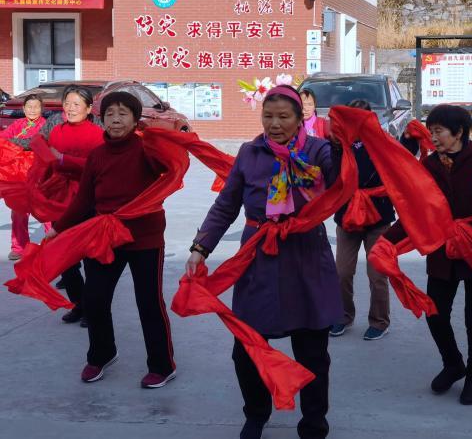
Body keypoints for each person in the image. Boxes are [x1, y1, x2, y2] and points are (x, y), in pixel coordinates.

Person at [185, 85, 341, 439]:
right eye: (268, 116)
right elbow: (226, 205)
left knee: (313, 351)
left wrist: (345, 144)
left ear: (300, 118)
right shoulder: (249, 153)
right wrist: (200, 247)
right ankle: (256, 412)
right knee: (247, 348)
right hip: (259, 258)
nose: (274, 124)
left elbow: (343, 180)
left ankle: (314, 423)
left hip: (306, 256)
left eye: (283, 117)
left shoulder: (318, 151)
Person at [47, 91, 176, 388]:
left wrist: (161, 143)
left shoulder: (147, 149)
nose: (116, 119)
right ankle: (101, 354)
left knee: (149, 302)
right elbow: (84, 200)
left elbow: (169, 168)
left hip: (144, 236)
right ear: (102, 119)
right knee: (95, 299)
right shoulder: (98, 155)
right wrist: (59, 228)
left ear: (134, 119)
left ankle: (162, 364)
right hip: (104, 234)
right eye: (110, 114)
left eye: (123, 113)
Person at [382, 105, 472, 405]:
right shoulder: (429, 167)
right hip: (443, 249)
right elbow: (415, 212)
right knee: (435, 312)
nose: (433, 137)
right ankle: (453, 364)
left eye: (438, 131)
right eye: (431, 130)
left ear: (459, 132)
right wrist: (387, 241)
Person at [330, 99, 393, 341]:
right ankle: (342, 316)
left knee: (377, 273)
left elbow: (403, 161)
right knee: (342, 272)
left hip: (378, 216)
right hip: (347, 216)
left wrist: (410, 139)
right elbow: (332, 177)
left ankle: (380, 321)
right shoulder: (338, 142)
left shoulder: (384, 141)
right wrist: (336, 148)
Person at [45, 85, 104, 326]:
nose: (70, 108)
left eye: (76, 104)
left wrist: (63, 160)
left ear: (89, 109)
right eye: (67, 103)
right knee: (65, 259)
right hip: (62, 201)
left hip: (88, 200)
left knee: (91, 259)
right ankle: (79, 304)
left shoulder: (97, 135)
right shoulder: (57, 131)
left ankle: (93, 309)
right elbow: (49, 162)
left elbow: (96, 168)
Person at [0, 94, 49, 260]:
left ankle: (52, 244)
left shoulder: (46, 125)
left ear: (42, 109)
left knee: (46, 211)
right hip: (18, 175)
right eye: (29, 107)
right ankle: (19, 247)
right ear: (23, 108)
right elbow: (3, 139)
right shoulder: (17, 124)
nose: (33, 110)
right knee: (18, 211)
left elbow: (41, 142)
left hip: (39, 174)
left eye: (36, 107)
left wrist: (18, 144)